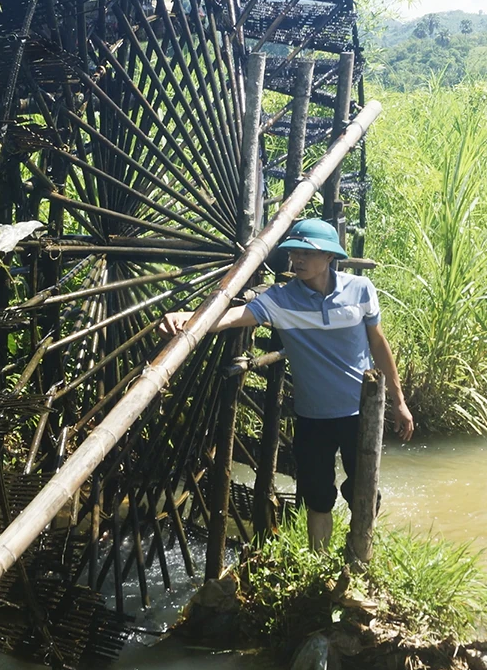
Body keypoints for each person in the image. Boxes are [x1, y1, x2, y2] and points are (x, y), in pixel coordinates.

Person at [161, 218, 414, 551]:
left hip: (360, 414)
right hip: (312, 418)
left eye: (307, 253)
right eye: (294, 252)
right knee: (317, 497)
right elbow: (232, 317)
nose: (298, 259)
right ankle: (319, 562)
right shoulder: (281, 300)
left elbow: (379, 345)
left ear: (330, 256)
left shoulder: (360, 289)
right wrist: (190, 319)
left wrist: (399, 401)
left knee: (364, 491)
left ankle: (360, 557)